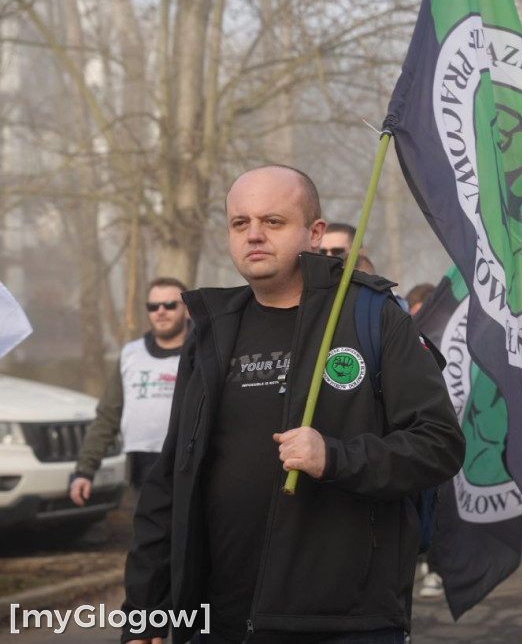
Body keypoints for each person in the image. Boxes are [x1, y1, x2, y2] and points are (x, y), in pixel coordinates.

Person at [121, 165, 465, 644]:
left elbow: (440, 445)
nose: (254, 235)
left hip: (342, 624)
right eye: (240, 223)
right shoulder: (212, 330)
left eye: (273, 221)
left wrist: (336, 458)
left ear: (314, 232)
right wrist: (146, 613)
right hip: (218, 623)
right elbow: (171, 481)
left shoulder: (372, 316)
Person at [69, 277, 189, 507]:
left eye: (170, 305)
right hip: (142, 467)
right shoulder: (130, 355)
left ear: (186, 310)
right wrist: (85, 470)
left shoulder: (203, 353)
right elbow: (108, 416)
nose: (161, 312)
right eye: (153, 307)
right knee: (146, 540)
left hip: (189, 463)